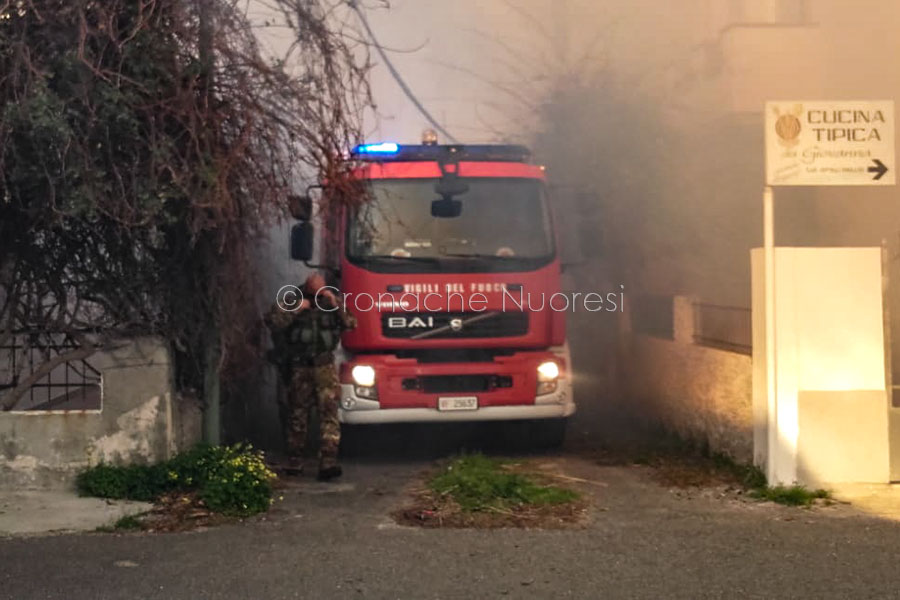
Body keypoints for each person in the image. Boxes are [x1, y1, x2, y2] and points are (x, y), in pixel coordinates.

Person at [265, 273, 356, 480]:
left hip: (324, 367)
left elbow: (351, 323)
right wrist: (296, 310)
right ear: (307, 288)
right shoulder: (291, 300)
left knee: (329, 413)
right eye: (315, 292)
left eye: (320, 292)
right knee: (297, 414)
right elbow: (273, 322)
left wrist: (335, 304)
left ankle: (328, 462)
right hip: (300, 368)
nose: (318, 297)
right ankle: (295, 460)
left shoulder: (331, 302)